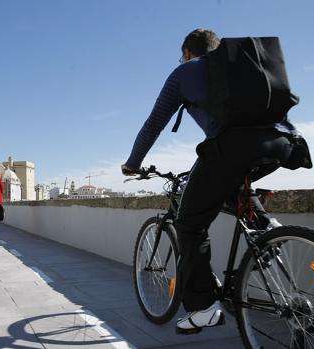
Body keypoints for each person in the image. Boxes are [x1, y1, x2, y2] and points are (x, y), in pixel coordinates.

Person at [121, 29, 300, 333]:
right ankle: (266, 228)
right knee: (228, 182)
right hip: (284, 142)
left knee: (189, 224)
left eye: (183, 56)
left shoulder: (184, 72)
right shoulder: (242, 67)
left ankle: (203, 307)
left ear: (188, 53)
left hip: (233, 146)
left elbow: (154, 124)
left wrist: (132, 164)